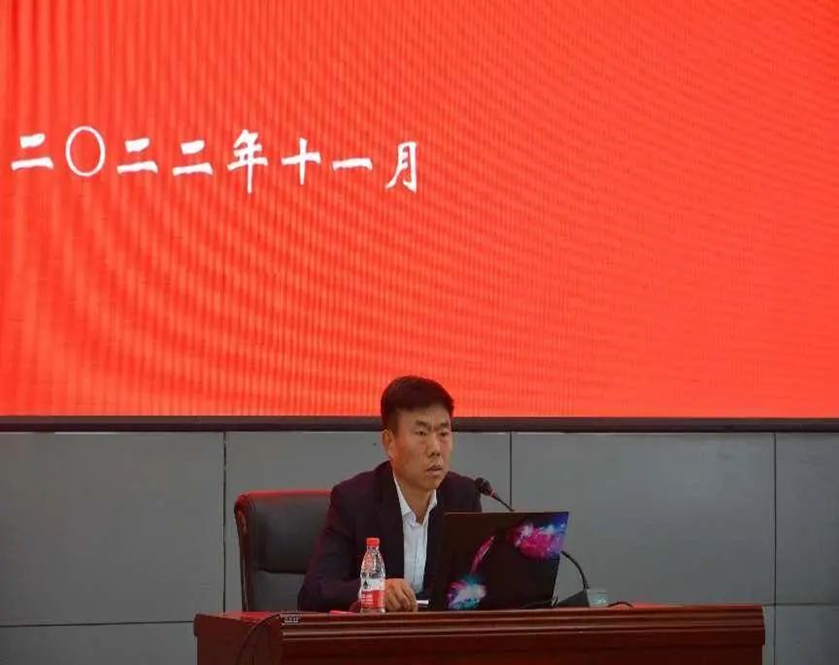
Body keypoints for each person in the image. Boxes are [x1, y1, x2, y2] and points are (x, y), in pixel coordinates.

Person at [298, 376, 481, 612]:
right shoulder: (354, 501)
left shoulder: (463, 497)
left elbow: (474, 587)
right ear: (389, 442)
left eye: (444, 433)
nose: (436, 448)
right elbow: (314, 593)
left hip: (439, 634)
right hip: (375, 634)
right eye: (421, 433)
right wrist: (375, 590)